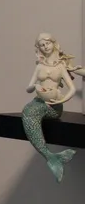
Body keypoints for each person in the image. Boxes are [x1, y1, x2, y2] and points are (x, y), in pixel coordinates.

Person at [22, 33, 78, 181]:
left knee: (30, 111)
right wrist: (34, 86)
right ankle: (50, 156)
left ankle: (50, 157)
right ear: (39, 48)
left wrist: (62, 100)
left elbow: (72, 88)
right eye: (42, 45)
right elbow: (29, 87)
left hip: (54, 106)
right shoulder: (39, 66)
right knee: (28, 110)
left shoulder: (60, 66)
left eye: (47, 43)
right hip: (39, 101)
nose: (45, 46)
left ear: (53, 44)